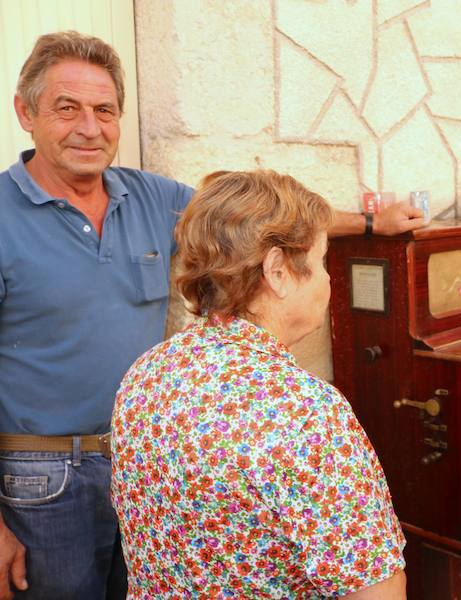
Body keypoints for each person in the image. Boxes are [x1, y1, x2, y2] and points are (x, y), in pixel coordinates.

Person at [0, 30, 421, 600]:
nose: (90, 127)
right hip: (41, 476)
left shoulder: (146, 198)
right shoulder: (306, 415)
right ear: (26, 112)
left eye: (105, 110)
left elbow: (255, 222)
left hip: (137, 452)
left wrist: (373, 225)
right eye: (67, 108)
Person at [109, 170, 406, 598]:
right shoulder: (306, 413)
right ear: (278, 271)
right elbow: (376, 592)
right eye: (322, 260)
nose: (327, 279)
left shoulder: (145, 373)